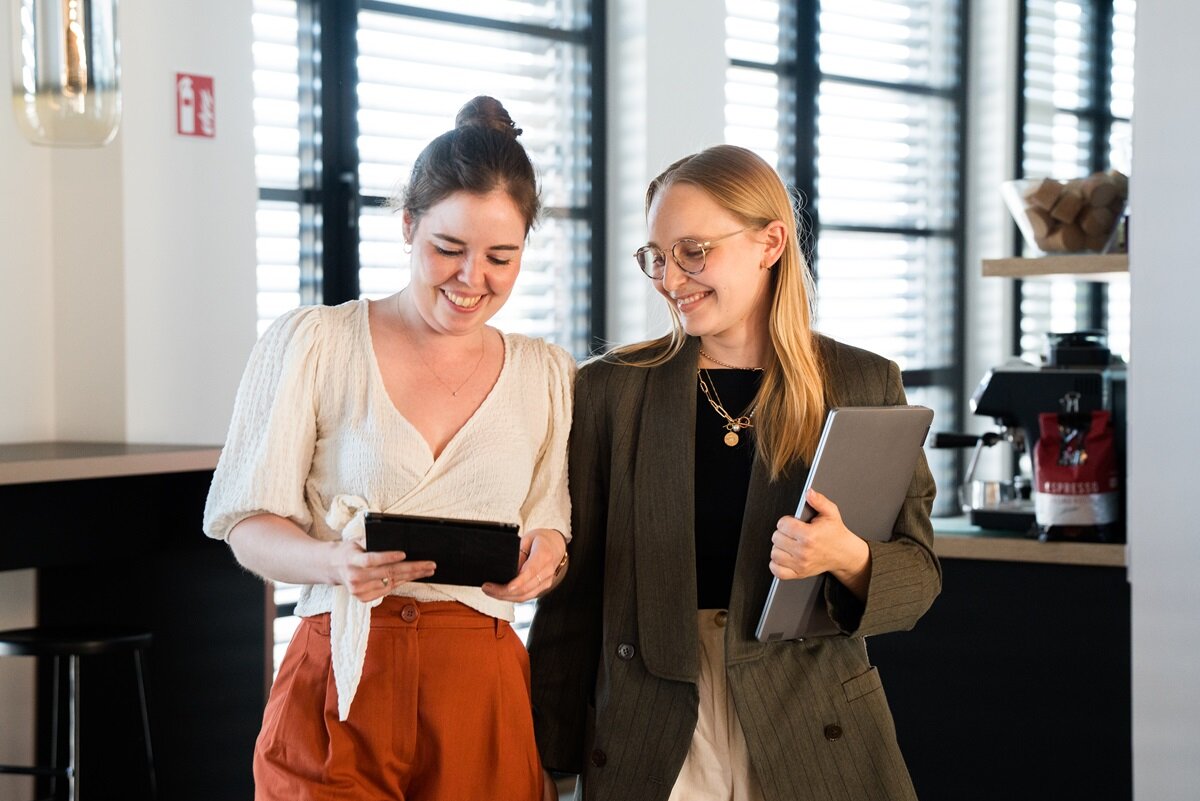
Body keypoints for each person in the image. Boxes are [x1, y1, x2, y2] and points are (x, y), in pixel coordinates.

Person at [527, 144, 939, 801]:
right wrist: (547, 762)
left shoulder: (862, 381)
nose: (670, 277)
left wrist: (850, 557)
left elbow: (919, 575)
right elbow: (574, 602)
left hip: (810, 726)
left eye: (693, 250)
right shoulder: (610, 391)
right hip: (650, 731)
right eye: (656, 257)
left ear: (770, 242)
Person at [202, 96, 574, 801]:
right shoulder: (315, 342)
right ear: (407, 226)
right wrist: (330, 560)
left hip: (480, 691)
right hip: (341, 675)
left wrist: (544, 559)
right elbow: (247, 527)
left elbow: (549, 522)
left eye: (501, 256)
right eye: (448, 249)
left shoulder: (546, 374)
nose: (473, 280)